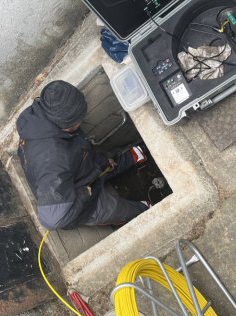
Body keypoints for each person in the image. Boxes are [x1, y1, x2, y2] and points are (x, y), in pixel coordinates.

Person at [16, 80, 149, 231]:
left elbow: (78, 153)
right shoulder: (53, 161)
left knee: (108, 162)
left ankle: (132, 156)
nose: (81, 122)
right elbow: (52, 220)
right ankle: (143, 210)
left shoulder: (39, 116)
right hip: (77, 199)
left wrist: (101, 161)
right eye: (79, 121)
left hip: (80, 165)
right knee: (119, 210)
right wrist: (84, 194)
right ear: (66, 125)